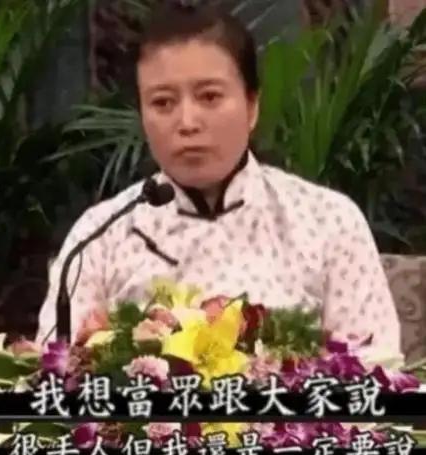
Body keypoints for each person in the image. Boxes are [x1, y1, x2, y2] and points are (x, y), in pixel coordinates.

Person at [37, 0, 402, 362]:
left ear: (252, 106)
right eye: (163, 103)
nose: (187, 122)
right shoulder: (101, 235)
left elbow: (377, 370)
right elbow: (54, 374)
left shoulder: (328, 221)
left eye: (210, 96)